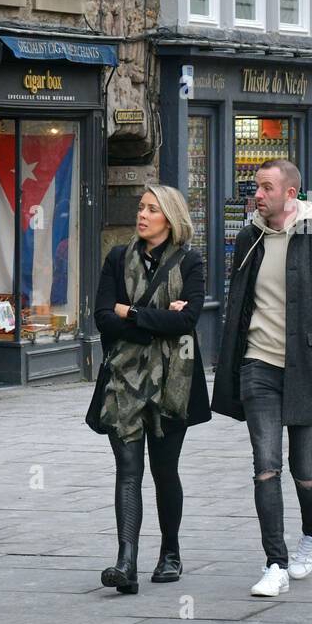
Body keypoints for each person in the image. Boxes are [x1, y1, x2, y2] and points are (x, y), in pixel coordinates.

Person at [212, 159, 312, 598]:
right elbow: (240, 306)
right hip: (258, 365)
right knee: (265, 467)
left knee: (305, 472)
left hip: (310, 368)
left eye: (266, 188)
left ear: (291, 193)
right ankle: (274, 563)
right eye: (256, 188)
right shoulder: (249, 237)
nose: (257, 195)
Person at [88, 185, 211, 594]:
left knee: (163, 471)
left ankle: (170, 552)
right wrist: (156, 319)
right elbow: (103, 317)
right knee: (128, 471)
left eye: (152, 209)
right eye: (141, 207)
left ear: (170, 218)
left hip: (174, 383)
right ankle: (126, 562)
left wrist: (134, 312)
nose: (142, 215)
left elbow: (188, 320)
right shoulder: (117, 258)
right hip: (122, 381)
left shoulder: (190, 261)